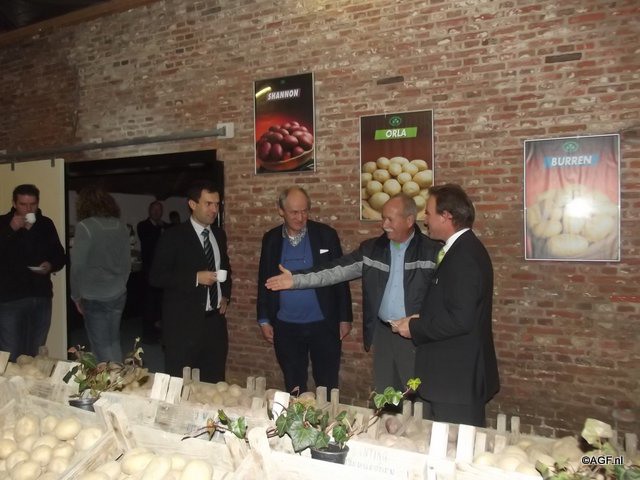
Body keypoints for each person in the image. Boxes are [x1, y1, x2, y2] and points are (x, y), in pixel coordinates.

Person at [266, 193, 440, 393]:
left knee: (417, 395)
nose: (384, 224)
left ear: (409, 220)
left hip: (416, 335)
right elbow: (335, 271)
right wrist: (296, 280)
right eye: (383, 218)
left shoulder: (432, 252)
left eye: (390, 219)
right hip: (384, 332)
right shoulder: (373, 249)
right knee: (386, 395)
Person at [392, 184, 500, 427]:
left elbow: (461, 320)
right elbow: (454, 306)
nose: (425, 220)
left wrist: (415, 327)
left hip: (456, 381)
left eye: (428, 213)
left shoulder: (464, 257)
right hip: (451, 378)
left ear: (446, 216)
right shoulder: (460, 249)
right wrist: (419, 318)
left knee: (455, 446)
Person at [257, 186, 353, 395]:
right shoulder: (271, 239)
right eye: (294, 212)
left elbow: (340, 277)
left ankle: (327, 416)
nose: (300, 218)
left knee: (327, 384)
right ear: (281, 210)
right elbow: (264, 279)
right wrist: (264, 319)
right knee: (294, 384)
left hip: (324, 323)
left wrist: (345, 317)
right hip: (286, 326)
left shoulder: (326, 235)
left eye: (304, 211)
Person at [150, 181, 232, 382]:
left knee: (214, 381)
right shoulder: (173, 236)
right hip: (183, 324)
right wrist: (195, 278)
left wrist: (225, 295)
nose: (214, 210)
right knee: (180, 382)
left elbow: (226, 268)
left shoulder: (219, 234)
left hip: (214, 322)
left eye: (217, 204)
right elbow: (156, 276)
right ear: (192, 204)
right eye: (208, 204)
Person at [0, 184, 65, 362]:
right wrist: (10, 229)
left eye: (33, 204)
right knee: (10, 352)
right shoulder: (3, 223)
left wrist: (50, 265)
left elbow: (60, 256)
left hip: (40, 296)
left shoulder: (45, 224)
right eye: (23, 204)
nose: (28, 209)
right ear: (14, 203)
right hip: (10, 298)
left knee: (36, 353)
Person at [70, 187, 131, 362]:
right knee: (113, 341)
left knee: (100, 347)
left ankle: (110, 379)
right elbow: (127, 264)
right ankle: (118, 376)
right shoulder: (121, 226)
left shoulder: (84, 227)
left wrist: (76, 296)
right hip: (118, 293)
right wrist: (120, 284)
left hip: (93, 295)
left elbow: (77, 267)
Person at [136, 200, 166, 343]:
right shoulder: (143, 225)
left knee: (161, 305)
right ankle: (148, 335)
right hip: (148, 272)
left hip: (163, 272)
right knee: (149, 305)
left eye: (159, 210)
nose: (156, 212)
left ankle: (160, 333)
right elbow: (148, 241)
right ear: (149, 211)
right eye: (154, 209)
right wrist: (159, 228)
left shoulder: (165, 226)